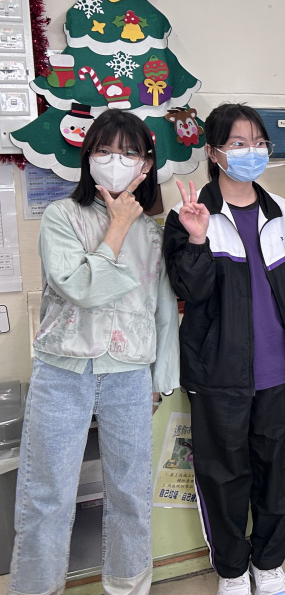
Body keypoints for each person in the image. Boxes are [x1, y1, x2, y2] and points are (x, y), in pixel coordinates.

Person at [11, 110, 179, 595]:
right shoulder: (62, 216)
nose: (115, 160)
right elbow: (80, 287)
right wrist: (118, 226)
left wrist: (160, 379)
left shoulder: (154, 233)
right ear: (87, 157)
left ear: (146, 165)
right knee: (47, 494)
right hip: (63, 370)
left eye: (129, 152)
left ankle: (129, 586)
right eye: (104, 150)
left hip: (130, 372)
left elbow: (162, 312)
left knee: (130, 493)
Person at [163, 104, 285, 595]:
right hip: (218, 371)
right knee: (222, 474)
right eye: (237, 143)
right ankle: (232, 571)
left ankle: (269, 563)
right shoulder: (190, 215)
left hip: (277, 369)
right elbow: (189, 290)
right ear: (213, 152)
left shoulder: (282, 212)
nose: (251, 152)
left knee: (274, 470)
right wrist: (196, 240)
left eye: (258, 143)